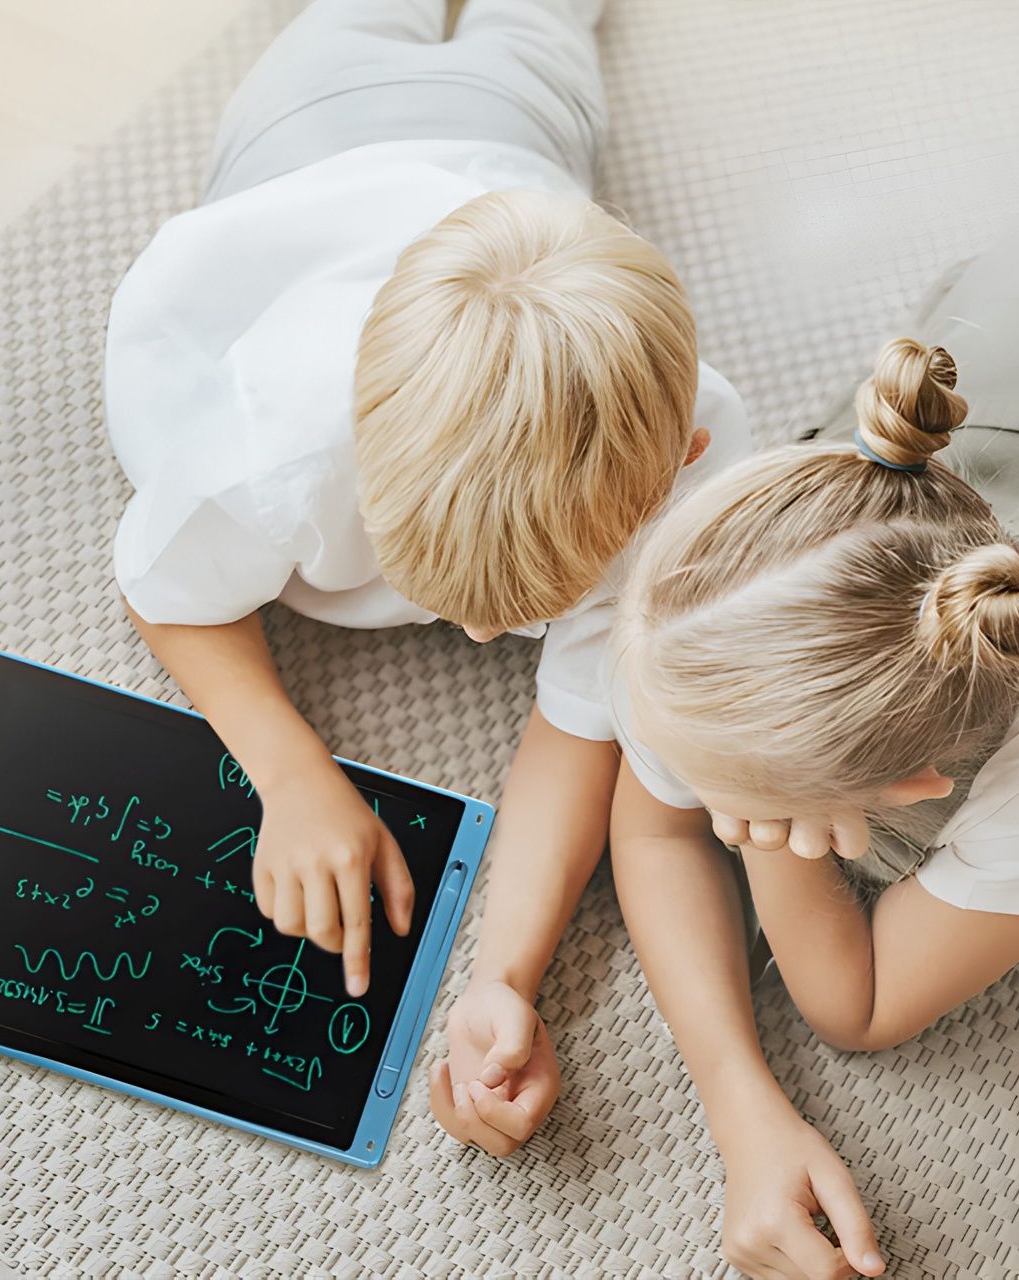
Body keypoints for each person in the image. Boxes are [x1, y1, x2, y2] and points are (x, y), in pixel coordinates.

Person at [105, 0, 750, 995]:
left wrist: (506, 975)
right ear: (362, 466)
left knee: (540, 18)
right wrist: (289, 770)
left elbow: (582, 718)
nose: (485, 642)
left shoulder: (687, 478)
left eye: (522, 611)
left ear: (681, 461)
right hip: (307, 128)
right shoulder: (277, 448)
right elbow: (167, 589)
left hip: (514, 131)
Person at [436, 337, 1019, 1280]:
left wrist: (770, 842)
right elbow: (653, 829)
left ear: (906, 790)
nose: (666, 781)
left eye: (732, 807)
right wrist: (740, 1104)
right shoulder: (726, 588)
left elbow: (856, 1007)